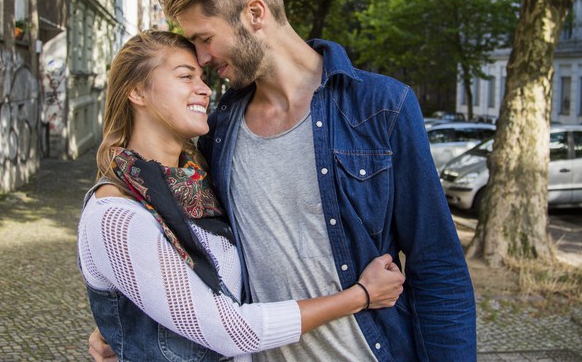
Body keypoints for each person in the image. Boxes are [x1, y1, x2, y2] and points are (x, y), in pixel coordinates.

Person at [91, 0, 477, 361]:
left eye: (204, 38)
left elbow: (439, 269)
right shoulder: (219, 129)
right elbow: (186, 250)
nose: (200, 59)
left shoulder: (381, 108)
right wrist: (130, 320)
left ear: (255, 13)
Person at [78, 30, 405, 361]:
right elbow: (230, 330)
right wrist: (362, 295)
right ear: (137, 91)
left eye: (203, 77)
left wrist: (123, 329)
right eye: (185, 76)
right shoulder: (116, 214)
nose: (204, 90)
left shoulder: (200, 187)